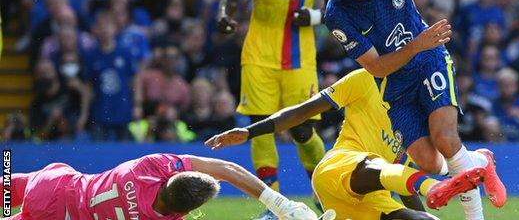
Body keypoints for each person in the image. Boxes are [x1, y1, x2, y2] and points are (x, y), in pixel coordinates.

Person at [323, 0, 519, 220]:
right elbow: (375, 67)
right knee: (430, 164)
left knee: (447, 140)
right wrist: (414, 45)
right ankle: (479, 159)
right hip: (394, 83)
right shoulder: (337, 13)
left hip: (429, 59)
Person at [207, 69, 486, 220]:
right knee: (375, 165)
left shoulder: (421, 121)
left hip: (371, 200)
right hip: (339, 169)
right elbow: (302, 111)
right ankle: (435, 187)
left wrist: (422, 216)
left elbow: (403, 182)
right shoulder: (365, 79)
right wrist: (249, 131)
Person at [216, 0, 336, 215]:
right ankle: (274, 204)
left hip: (300, 56)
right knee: (259, 125)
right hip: (257, 51)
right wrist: (224, 15)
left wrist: (311, 16)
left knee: (301, 129)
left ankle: (324, 195)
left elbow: (334, 8)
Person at [8, 153, 317, 220]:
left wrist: (278, 201)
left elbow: (225, 168)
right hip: (57, 218)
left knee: (6, 189)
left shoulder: (148, 168)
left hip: (53, 186)